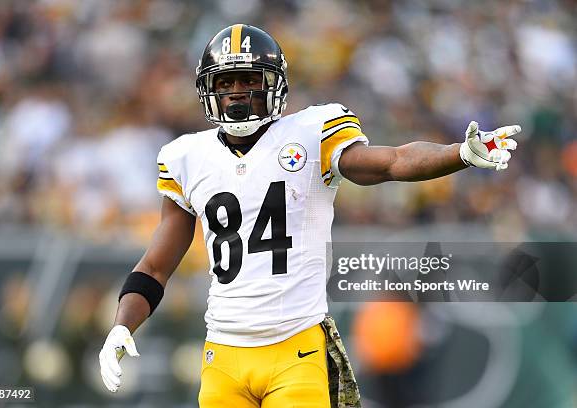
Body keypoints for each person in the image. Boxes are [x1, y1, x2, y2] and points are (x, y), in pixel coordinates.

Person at [98, 24, 520, 407]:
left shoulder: (311, 131)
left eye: (249, 79)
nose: (238, 92)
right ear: (209, 89)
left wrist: (459, 154)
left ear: (274, 84)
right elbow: (154, 268)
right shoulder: (186, 156)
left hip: (295, 349)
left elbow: (391, 161)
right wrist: (122, 327)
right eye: (227, 82)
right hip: (222, 354)